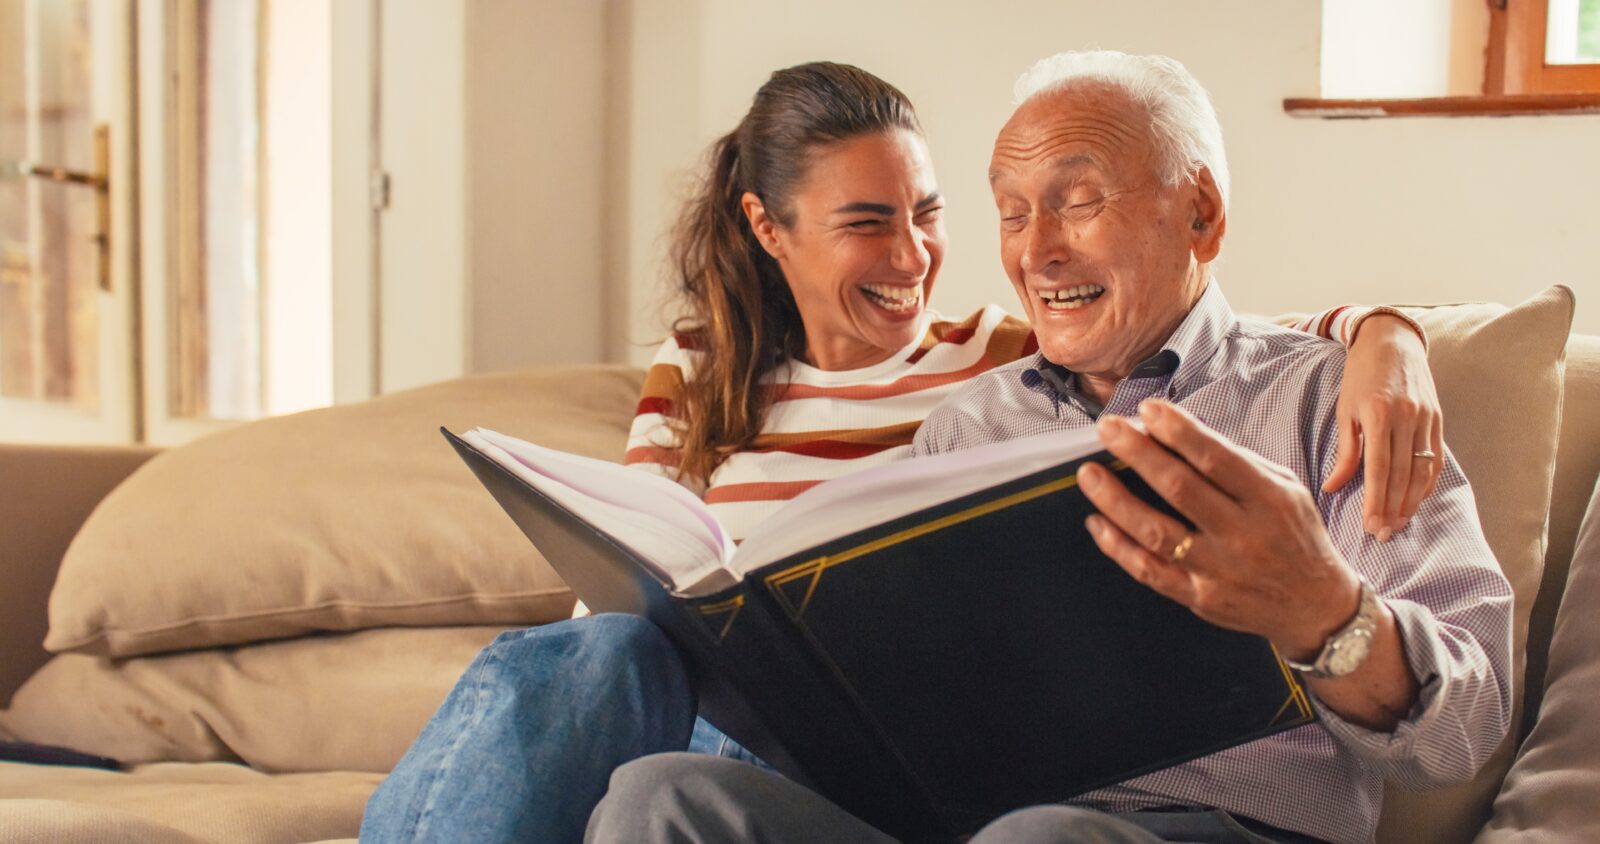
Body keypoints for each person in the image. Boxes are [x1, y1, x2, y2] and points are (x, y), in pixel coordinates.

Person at [361, 62, 1449, 844]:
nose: (933, 253)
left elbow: (1192, 323)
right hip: (780, 731)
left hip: (1101, 810)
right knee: (625, 720)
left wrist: (1382, 333)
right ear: (768, 228)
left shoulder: (1017, 352)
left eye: (929, 214)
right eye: (1010, 213)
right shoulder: (762, 380)